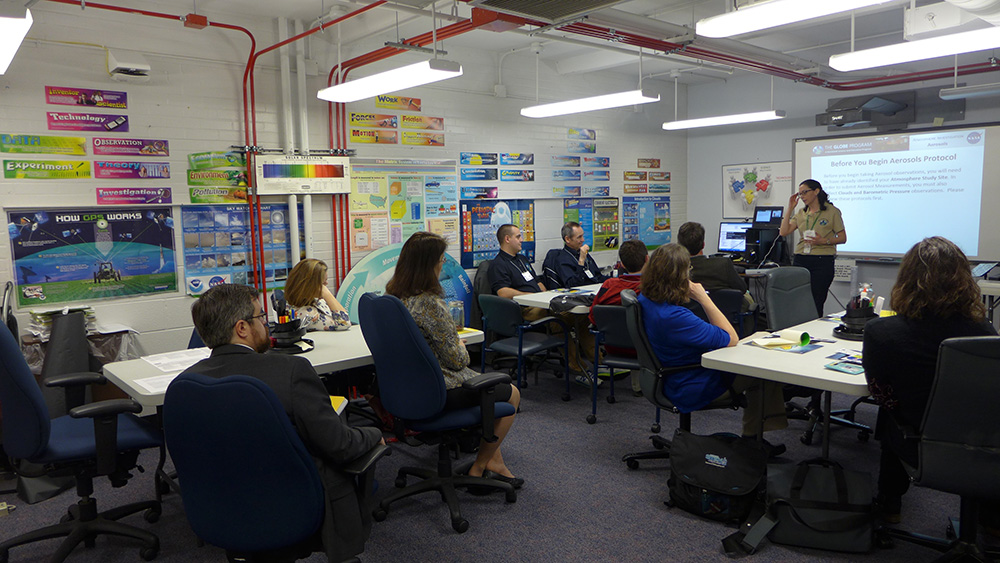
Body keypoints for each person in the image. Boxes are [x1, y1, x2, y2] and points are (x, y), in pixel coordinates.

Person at [181, 284, 384, 562]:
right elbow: (340, 446)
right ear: (242, 328)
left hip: (221, 508)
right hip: (292, 507)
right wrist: (373, 434)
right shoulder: (291, 371)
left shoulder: (187, 384)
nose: (267, 325)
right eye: (261, 318)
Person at [863, 236, 999, 525]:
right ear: (964, 280)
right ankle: (992, 520)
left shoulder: (881, 332)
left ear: (906, 279)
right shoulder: (984, 332)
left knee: (890, 416)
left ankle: (890, 504)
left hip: (918, 444)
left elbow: (878, 392)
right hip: (982, 444)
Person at [386, 232, 523, 488]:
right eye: (440, 260)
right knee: (511, 392)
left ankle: (495, 462)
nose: (442, 265)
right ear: (430, 265)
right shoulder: (430, 304)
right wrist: (460, 345)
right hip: (440, 389)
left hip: (408, 390)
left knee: (493, 391)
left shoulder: (395, 298)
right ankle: (481, 466)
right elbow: (458, 361)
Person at [638, 243, 788, 444]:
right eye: (688, 269)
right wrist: (703, 299)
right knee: (763, 370)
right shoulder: (674, 317)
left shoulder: (646, 300)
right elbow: (731, 338)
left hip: (667, 376)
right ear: (679, 276)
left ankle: (758, 433)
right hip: (690, 384)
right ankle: (753, 440)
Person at [488, 223, 595, 379]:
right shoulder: (498, 265)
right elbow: (503, 292)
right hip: (525, 309)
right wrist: (529, 296)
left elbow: (537, 281)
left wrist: (547, 294)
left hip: (541, 302)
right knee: (560, 319)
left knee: (583, 316)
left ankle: (599, 361)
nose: (521, 240)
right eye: (518, 236)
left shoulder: (522, 259)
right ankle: (577, 366)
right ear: (507, 239)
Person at [588, 239, 647, 395]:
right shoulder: (650, 288)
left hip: (612, 347)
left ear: (621, 265)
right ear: (647, 259)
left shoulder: (608, 285)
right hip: (643, 348)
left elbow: (593, 317)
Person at [779, 179, 846, 317]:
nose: (802, 196)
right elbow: (783, 232)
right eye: (800, 194)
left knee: (816, 301)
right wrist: (790, 208)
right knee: (798, 300)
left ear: (816, 191)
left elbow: (842, 238)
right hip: (801, 259)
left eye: (805, 192)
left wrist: (823, 241)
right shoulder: (801, 213)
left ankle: (814, 332)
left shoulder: (832, 211)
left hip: (822, 261)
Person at [676, 221, 753, 312]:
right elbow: (742, 288)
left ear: (679, 245)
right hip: (726, 318)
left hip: (690, 319)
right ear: (703, 244)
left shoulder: (676, 269)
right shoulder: (723, 264)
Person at [284, 258, 351, 331]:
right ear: (310, 286)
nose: (326, 284)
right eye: (323, 283)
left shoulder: (315, 300)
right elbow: (345, 323)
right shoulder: (305, 314)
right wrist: (327, 294)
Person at [542, 221, 607, 289]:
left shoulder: (582, 253)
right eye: (579, 237)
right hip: (578, 295)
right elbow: (573, 284)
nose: (583, 240)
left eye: (582, 236)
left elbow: (598, 276)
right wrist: (581, 261)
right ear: (568, 239)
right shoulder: (562, 259)